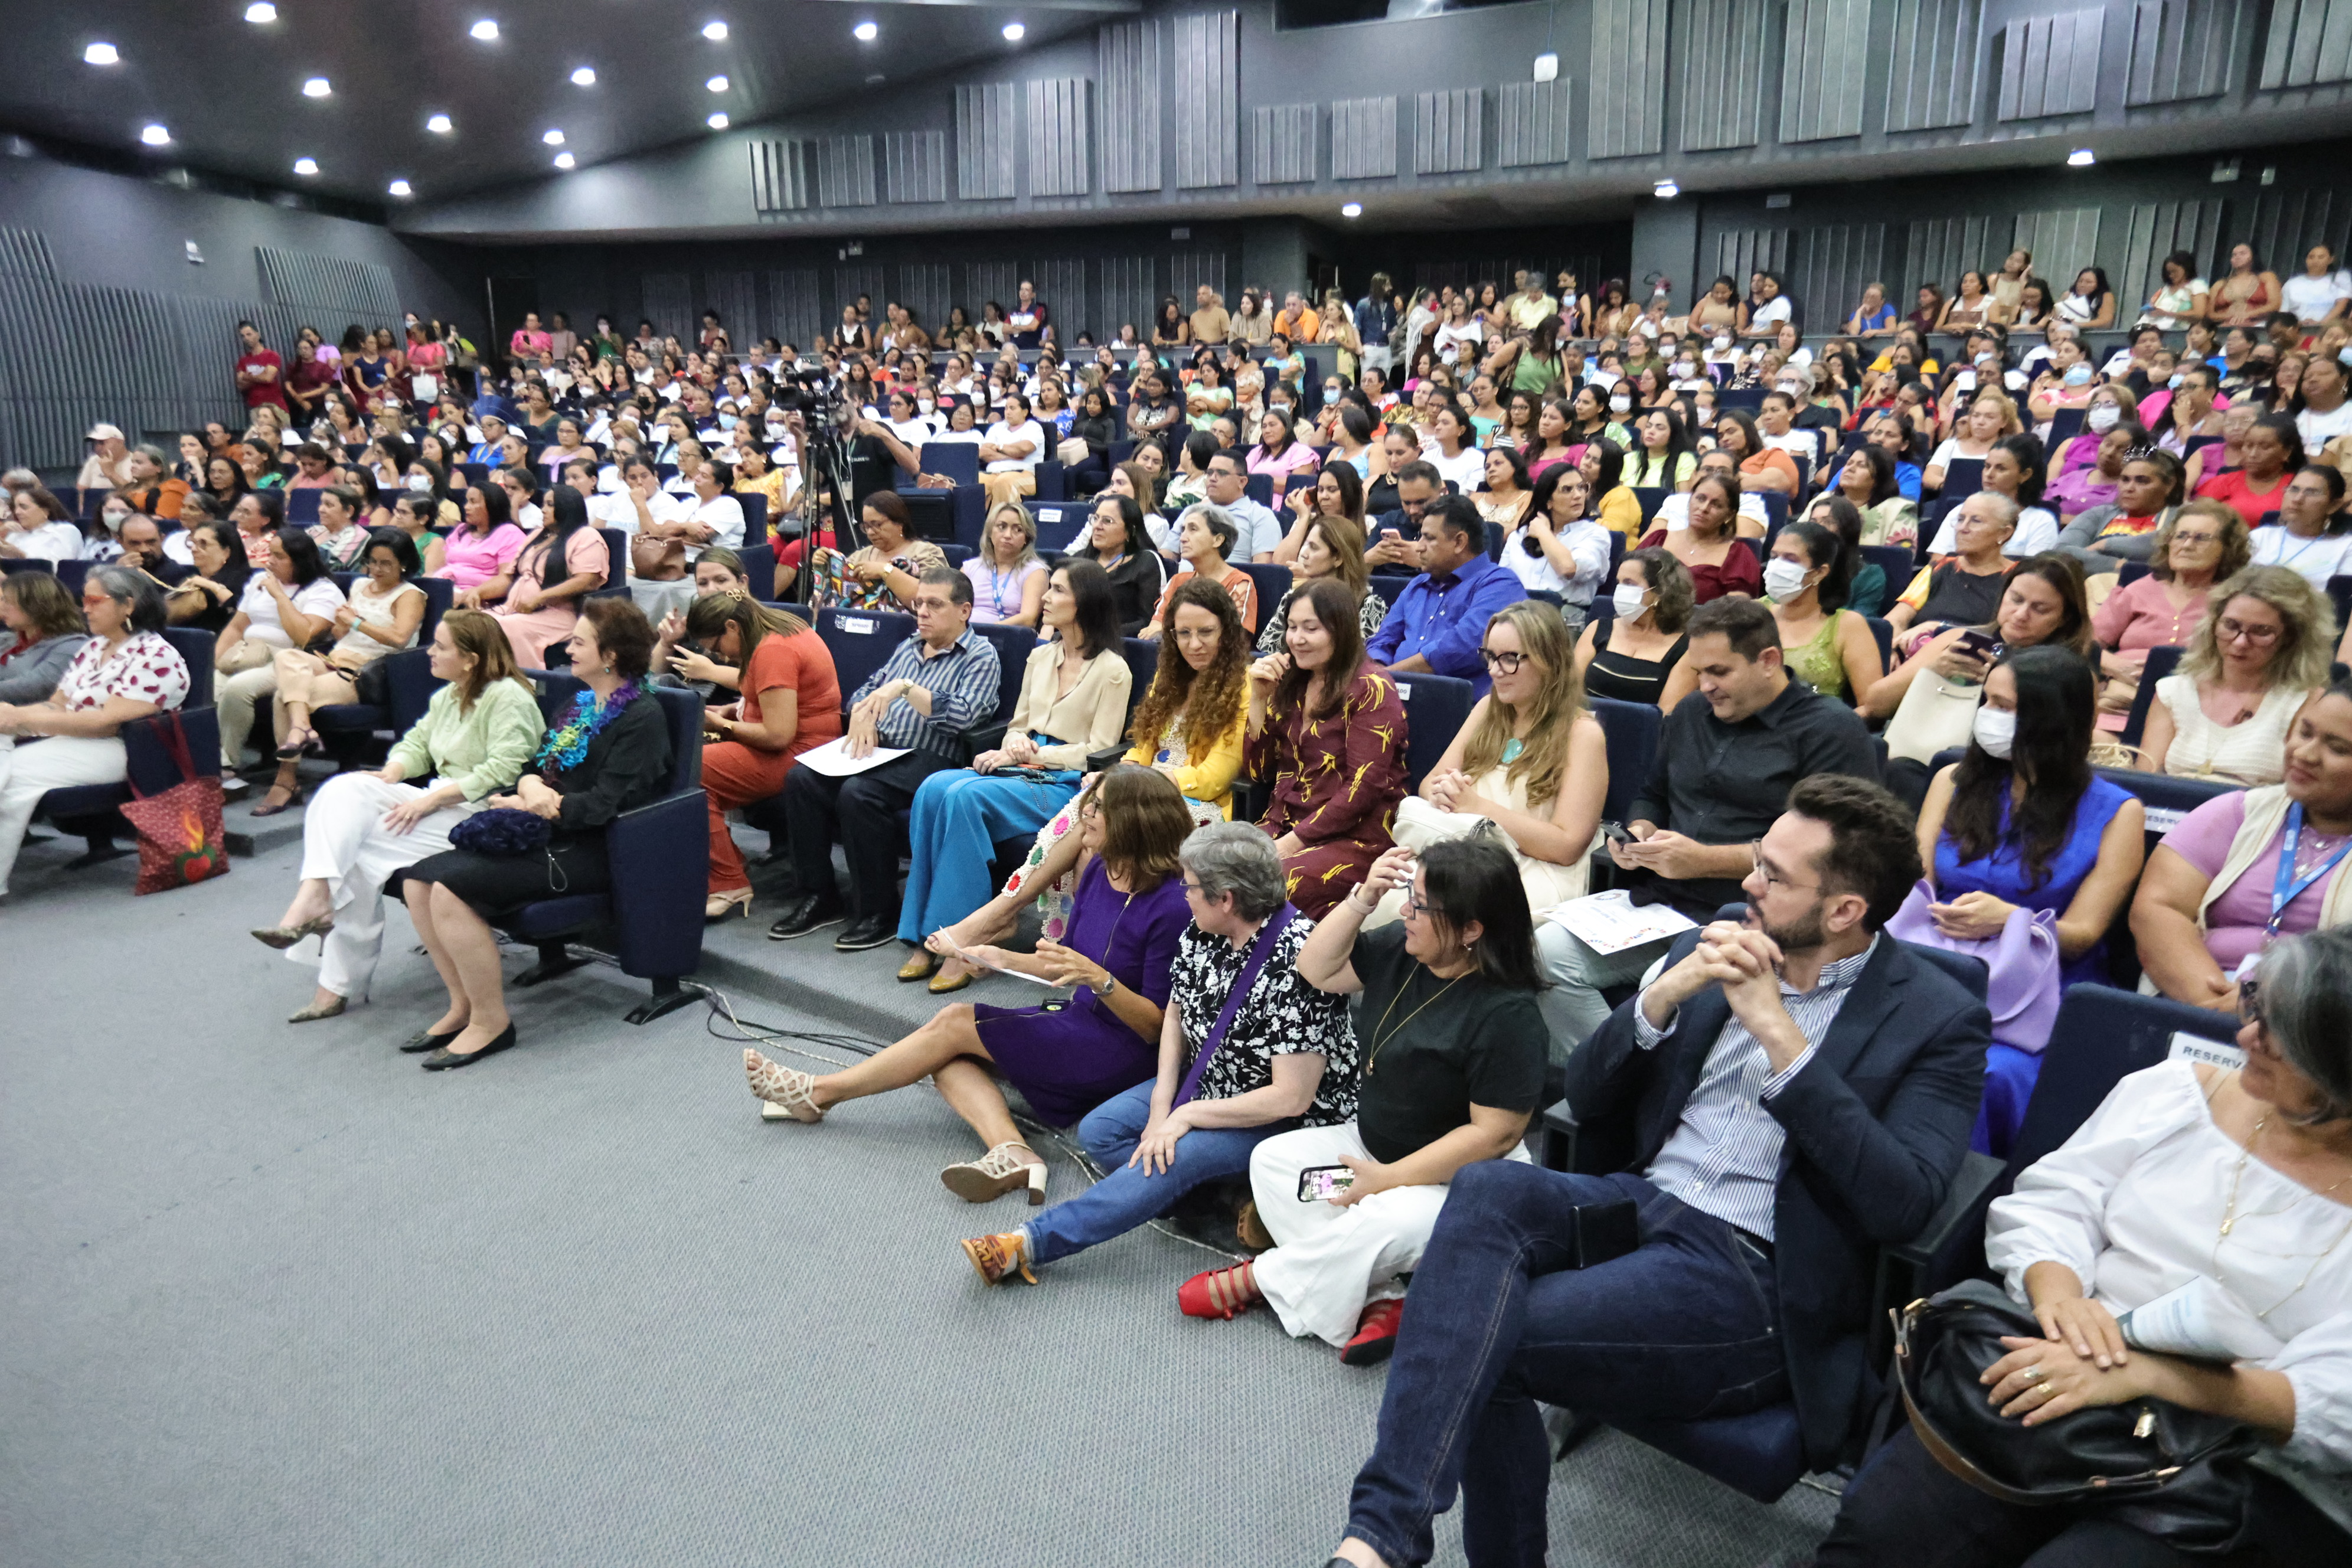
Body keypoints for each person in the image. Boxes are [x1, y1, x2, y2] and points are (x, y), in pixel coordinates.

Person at [1317, 776, 1991, 1568]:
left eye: (1774, 875)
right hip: (1640, 1203)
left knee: (1484, 1336)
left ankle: (1378, 1542)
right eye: (1757, 860)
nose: (1748, 882)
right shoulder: (1713, 943)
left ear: (1845, 911)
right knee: (1487, 1188)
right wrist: (1664, 995)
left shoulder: (1938, 1017)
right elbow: (1586, 1094)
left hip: (1752, 1271)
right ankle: (1384, 1537)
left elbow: (1903, 1201)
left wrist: (1780, 1034)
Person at [1815, 928, 2352, 1568]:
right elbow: (2056, 1201)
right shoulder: (2181, 1091)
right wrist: (2061, 1297)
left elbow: (2332, 1400)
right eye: (2257, 1013)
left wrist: (2145, 1374)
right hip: (2068, 1361)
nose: (2246, 1039)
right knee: (1879, 1536)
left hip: (2236, 1452)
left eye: (2279, 1040)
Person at [1178, 835, 1547, 1367]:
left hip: (1455, 1181)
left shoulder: (1509, 1014)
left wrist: (1388, 1180)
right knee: (1278, 1165)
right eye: (1409, 896)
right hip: (1371, 1151)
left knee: (1383, 1220)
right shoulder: (1405, 946)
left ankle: (1260, 1279)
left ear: (1472, 930)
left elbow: (1494, 1136)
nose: (1407, 911)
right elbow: (1315, 970)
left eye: (1422, 906)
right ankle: (1383, 1299)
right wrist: (1362, 899)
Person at [745, 767, 1193, 1198]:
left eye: (1098, 808)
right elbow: (1066, 963)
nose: (1084, 814)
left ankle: (819, 1093)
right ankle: (1013, 1151)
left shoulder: (1173, 906)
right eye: (1090, 803)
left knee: (954, 1025)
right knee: (944, 1053)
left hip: (1124, 1051)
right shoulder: (1100, 870)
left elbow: (1155, 1029)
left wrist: (1100, 980)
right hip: (1081, 1020)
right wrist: (999, 957)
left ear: (1134, 823)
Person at [959, 821, 1361, 1285]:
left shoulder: (1301, 959)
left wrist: (1184, 1117)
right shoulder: (1205, 928)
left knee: (1174, 1155)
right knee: (1102, 1132)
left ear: (1226, 899)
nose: (1182, 895)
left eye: (1190, 887)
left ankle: (1030, 1243)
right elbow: (1176, 1012)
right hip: (1215, 1078)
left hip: (1280, 1117)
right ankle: (1229, 1198)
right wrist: (1160, 1104)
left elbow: (1290, 1098)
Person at [396, 600, 672, 1069]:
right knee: (417, 880)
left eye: (579, 642)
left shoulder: (642, 717)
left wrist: (540, 802)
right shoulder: (580, 702)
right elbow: (532, 765)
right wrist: (529, 789)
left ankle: (491, 1022)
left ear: (610, 655)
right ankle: (463, 1005)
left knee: (447, 890)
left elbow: (606, 805)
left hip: (596, 847)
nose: (569, 648)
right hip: (547, 829)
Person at [249, 610, 545, 1022]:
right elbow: (416, 745)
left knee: (357, 850)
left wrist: (430, 801)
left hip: (483, 812)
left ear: (471, 659)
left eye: (440, 646)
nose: (429, 653)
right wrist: (391, 773)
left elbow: (504, 770)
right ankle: (316, 900)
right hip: (441, 799)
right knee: (346, 790)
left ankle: (333, 972)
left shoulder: (509, 697)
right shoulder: (450, 694)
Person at [1912, 647, 2145, 1151]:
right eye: (1987, 702)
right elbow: (1914, 882)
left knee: (1984, 1074)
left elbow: (2084, 934)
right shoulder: (1951, 781)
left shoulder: (2119, 813)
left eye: (2004, 707)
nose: (1987, 716)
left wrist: (2012, 920)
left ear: (2050, 720)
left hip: (2036, 987)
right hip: (1937, 959)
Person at [1395, 603, 1612, 1054]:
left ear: (1549, 660)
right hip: (1470, 851)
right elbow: (1431, 782)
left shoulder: (1582, 734)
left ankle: (1460, 1043)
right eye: (1490, 657)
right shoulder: (1488, 709)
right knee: (1390, 898)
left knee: (1448, 915)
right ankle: (1405, 1034)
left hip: (1536, 868)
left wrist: (1480, 809)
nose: (1496, 670)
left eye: (1511, 659)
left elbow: (1567, 844)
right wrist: (1444, 794)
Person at [894, 561, 1131, 963]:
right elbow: (1017, 726)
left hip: (1065, 784)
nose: (1045, 598)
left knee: (964, 798)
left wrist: (1035, 753)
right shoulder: (1040, 658)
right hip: (1019, 769)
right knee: (933, 788)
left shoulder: (1113, 670)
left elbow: (1101, 750)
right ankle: (922, 929)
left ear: (1085, 602)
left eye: (1058, 590)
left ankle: (963, 933)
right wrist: (1015, 743)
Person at [770, 569, 1003, 950]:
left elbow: (964, 717)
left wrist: (906, 689)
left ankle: (879, 911)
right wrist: (862, 715)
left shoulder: (980, 655)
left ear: (964, 611)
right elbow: (865, 692)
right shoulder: (909, 646)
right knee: (801, 780)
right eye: (919, 603)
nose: (922, 612)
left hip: (936, 759)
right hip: (883, 752)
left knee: (859, 794)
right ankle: (820, 894)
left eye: (934, 605)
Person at [2134, 678, 2352, 1011]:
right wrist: (2212, 1005)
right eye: (2305, 733)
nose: (2304, 754)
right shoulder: (2238, 812)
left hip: (2310, 1024)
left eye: (2337, 748)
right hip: (2192, 1001)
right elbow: (2158, 909)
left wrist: (2261, 1005)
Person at [0, 567, 192, 899]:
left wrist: (19, 720)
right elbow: (57, 706)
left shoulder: (156, 655)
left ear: (127, 605)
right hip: (74, 739)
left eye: (93, 601)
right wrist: (13, 716)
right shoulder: (93, 648)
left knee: (12, 778)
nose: (84, 609)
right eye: (84, 600)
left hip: (125, 749)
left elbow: (106, 723)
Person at [1246, 577, 1409, 919]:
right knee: (1209, 865)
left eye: (1311, 628)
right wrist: (1258, 699)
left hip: (1355, 835)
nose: (1297, 639)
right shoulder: (1291, 681)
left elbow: (1362, 790)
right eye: (1292, 627)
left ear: (1341, 630)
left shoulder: (1372, 688)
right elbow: (1259, 772)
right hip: (1284, 823)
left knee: (1270, 884)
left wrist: (1291, 844)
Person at [1870, 556, 2095, 796]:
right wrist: (1932, 670)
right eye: (2016, 599)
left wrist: (2001, 686)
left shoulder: (2072, 674)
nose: (2021, 614)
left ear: (2064, 618)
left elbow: (2071, 749)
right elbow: (1875, 703)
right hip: (1923, 758)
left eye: (2040, 609)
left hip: (2010, 779)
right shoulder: (1957, 640)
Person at [684, 593, 843, 922]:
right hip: (800, 743)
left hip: (803, 753)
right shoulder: (779, 627)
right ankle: (725, 860)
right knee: (690, 760)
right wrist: (734, 711)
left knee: (692, 770)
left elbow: (778, 735)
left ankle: (729, 880)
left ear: (732, 626)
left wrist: (724, 726)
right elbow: (771, 696)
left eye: (717, 647)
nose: (721, 657)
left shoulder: (773, 650)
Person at [2143, 565, 2337, 786]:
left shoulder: (2307, 703)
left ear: (2290, 639)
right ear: (2213, 625)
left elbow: (2308, 794)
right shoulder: (2173, 692)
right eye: (2231, 625)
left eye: (2261, 631)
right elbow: (2146, 782)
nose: (2240, 642)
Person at [2089, 501, 2248, 732]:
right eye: (2180, 536)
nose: (2187, 545)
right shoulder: (2138, 590)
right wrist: (2116, 666)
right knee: (2098, 741)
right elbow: (2086, 643)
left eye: (2201, 538)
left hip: (2195, 707)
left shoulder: (2233, 602)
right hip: (2120, 702)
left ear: (2227, 548)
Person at [214, 528, 346, 803]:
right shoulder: (258, 581)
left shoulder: (323, 590)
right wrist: (216, 659)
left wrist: (280, 596)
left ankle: (226, 766)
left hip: (289, 661)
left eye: (279, 556)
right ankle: (205, 763)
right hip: (246, 652)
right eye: (269, 554)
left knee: (238, 688)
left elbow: (304, 635)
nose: (269, 561)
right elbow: (237, 627)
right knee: (210, 683)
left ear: (300, 560)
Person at [1364, 495, 1525, 696]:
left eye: (1429, 538)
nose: (1419, 546)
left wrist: (1386, 678)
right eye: (1420, 537)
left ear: (1459, 542)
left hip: (1459, 705)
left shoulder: (1500, 584)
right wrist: (1378, 672)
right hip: (1393, 696)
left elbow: (1462, 648)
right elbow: (1383, 640)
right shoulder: (1417, 585)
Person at [1765, 518, 1880, 704]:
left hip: (1817, 720)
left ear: (1820, 572)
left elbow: (1871, 706)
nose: (1777, 566)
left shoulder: (1847, 625)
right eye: (1774, 557)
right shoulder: (1754, 612)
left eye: (1790, 559)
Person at [1573, 546, 1697, 710]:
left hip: (1646, 727)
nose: (1620, 590)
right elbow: (1570, 695)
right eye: (1619, 583)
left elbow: (1666, 714)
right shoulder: (1597, 629)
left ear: (1660, 591)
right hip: (1585, 722)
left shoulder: (1687, 648)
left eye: (1629, 583)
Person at [1885, 491, 2023, 634]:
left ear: (2004, 533)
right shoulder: (1939, 568)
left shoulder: (2018, 578)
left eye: (1976, 521)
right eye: (1961, 519)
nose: (1962, 528)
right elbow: (1895, 620)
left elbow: (2004, 633)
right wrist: (1894, 643)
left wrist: (1940, 628)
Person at [1259, 512, 1386, 655]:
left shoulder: (1369, 605)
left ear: (1338, 558)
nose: (1304, 554)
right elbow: (1266, 651)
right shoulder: (1292, 597)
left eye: (1314, 547)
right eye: (1305, 544)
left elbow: (1366, 660)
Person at [1500, 464, 1611, 623]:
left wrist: (1544, 533)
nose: (1578, 495)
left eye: (1581, 488)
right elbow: (1503, 583)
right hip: (1518, 614)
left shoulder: (1595, 534)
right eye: (1567, 489)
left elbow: (1568, 568)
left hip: (1563, 618)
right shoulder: (1519, 536)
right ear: (1548, 501)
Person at [1636, 472, 1765, 605]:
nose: (1704, 508)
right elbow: (1629, 584)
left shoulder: (1739, 556)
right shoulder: (1658, 540)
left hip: (1708, 619)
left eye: (1716, 505)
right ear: (1690, 500)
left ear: (1729, 515)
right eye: (1700, 499)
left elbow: (1736, 610)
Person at [809, 491, 946, 613]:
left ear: (900, 524)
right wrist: (824, 565)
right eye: (866, 527)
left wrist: (885, 571)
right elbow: (835, 598)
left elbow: (934, 599)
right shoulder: (860, 556)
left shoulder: (925, 553)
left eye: (877, 525)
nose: (870, 532)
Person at [2250, 460, 2352, 587]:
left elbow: (2341, 597)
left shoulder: (2346, 548)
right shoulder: (2260, 537)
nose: (2297, 499)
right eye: (2294, 490)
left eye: (2311, 493)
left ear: (2333, 505)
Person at [0, 571, 90, 704]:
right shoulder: (7, 640)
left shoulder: (72, 647)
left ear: (35, 605)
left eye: (8, 601)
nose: (2, 607)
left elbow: (34, 687)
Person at [964, 501, 1048, 628]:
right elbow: (951, 608)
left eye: (1018, 530)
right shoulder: (970, 568)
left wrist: (988, 630)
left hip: (1004, 637)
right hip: (964, 635)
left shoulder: (1034, 571)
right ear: (990, 532)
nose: (1008, 535)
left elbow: (1028, 619)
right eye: (1002, 527)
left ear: (1027, 538)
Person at [441, 484, 528, 599]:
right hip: (445, 590)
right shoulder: (462, 530)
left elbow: (506, 580)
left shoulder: (510, 533)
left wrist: (468, 595)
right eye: (467, 501)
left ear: (492, 505)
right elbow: (440, 566)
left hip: (476, 598)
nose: (466, 507)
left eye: (473, 502)